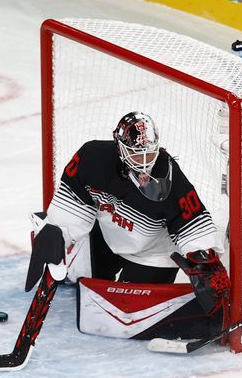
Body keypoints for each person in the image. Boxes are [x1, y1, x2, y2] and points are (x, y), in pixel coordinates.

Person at [24, 111, 230, 340]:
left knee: (125, 314)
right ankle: (76, 258)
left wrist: (203, 260)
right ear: (120, 147)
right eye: (136, 154)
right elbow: (74, 202)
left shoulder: (169, 176)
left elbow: (192, 220)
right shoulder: (92, 157)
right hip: (108, 234)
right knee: (83, 280)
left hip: (151, 252)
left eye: (149, 153)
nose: (144, 162)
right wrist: (57, 232)